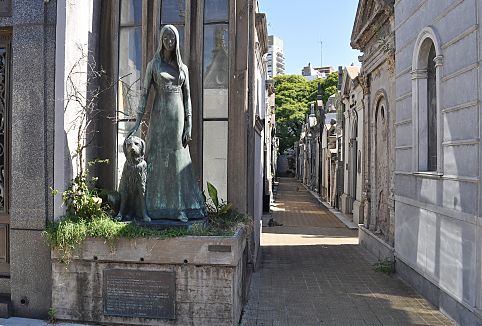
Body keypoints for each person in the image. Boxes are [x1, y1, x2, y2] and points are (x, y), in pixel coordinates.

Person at [128, 25, 206, 222]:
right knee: (155, 158)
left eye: (172, 39)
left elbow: (188, 98)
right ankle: (152, 207)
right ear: (161, 40)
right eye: (166, 38)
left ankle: (180, 207)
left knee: (179, 160)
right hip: (159, 114)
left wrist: (189, 125)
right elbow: (145, 94)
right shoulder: (153, 65)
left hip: (178, 115)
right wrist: (137, 122)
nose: (169, 42)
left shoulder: (183, 69)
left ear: (177, 41)